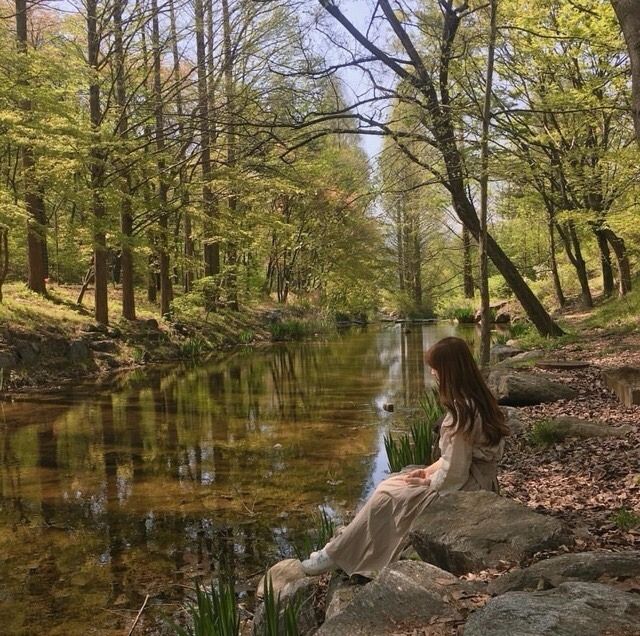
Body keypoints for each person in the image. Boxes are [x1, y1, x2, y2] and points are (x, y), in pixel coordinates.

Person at [301, 336, 510, 578]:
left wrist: (426, 483)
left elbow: (455, 474)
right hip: (479, 481)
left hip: (467, 489)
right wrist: (427, 471)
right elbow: (457, 458)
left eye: (436, 368)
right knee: (392, 484)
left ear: (450, 371)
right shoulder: (477, 401)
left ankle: (335, 555)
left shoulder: (461, 415)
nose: (433, 373)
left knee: (387, 494)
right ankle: (343, 546)